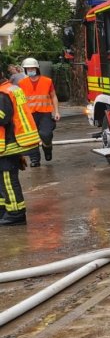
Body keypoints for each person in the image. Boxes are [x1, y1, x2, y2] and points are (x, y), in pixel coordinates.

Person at [0, 69, 41, 226]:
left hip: (7, 146)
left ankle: (16, 214)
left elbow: (3, 117)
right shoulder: (10, 89)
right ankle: (4, 210)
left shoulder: (3, 93)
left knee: (8, 181)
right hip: (10, 144)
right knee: (2, 182)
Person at [18, 58, 60, 167]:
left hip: (44, 113)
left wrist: (56, 112)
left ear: (37, 68)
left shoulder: (47, 81)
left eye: (32, 68)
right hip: (29, 115)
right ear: (25, 70)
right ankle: (35, 160)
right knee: (32, 138)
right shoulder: (21, 83)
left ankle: (47, 148)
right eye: (28, 69)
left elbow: (53, 96)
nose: (30, 70)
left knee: (45, 134)